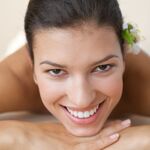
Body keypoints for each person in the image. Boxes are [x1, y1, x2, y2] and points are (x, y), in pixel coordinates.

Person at [0, 0, 150, 149]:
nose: (82, 100)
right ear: (32, 68)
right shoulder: (15, 79)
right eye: (56, 71)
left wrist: (138, 139)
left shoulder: (142, 80)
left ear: (124, 57)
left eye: (102, 67)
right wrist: (21, 136)